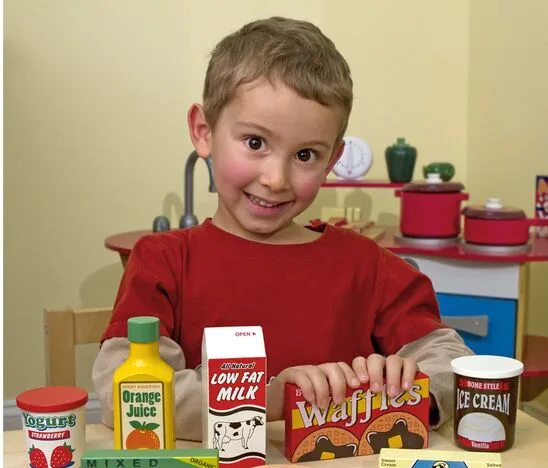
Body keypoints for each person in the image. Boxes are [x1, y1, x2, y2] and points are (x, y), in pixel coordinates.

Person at [93, 16, 473, 440]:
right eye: (255, 143)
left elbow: (453, 365)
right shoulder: (162, 261)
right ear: (204, 132)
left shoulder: (369, 265)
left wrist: (407, 383)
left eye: (306, 155)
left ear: (332, 161)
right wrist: (268, 399)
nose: (276, 178)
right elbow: (125, 394)